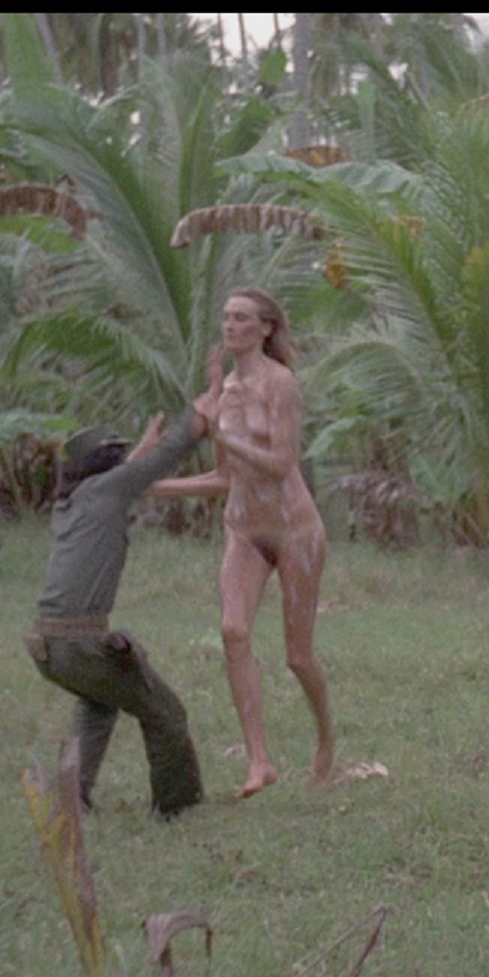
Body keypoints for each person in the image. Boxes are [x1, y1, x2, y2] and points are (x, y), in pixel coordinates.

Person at [150, 287, 332, 798]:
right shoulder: (224, 392)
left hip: (295, 531)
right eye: (227, 318)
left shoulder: (281, 384)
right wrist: (152, 485)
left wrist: (223, 436)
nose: (230, 326)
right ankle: (259, 761)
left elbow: (281, 464)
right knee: (233, 630)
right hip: (245, 530)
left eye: (242, 318)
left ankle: (325, 739)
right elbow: (224, 479)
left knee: (299, 657)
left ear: (265, 328)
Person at [25, 387, 217, 818]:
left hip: (47, 645)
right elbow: (162, 459)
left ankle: (71, 798)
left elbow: (130, 471)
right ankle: (177, 808)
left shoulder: (72, 501)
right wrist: (196, 419)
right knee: (166, 712)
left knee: (99, 704)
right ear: (104, 467)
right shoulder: (107, 491)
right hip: (78, 644)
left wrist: (143, 445)